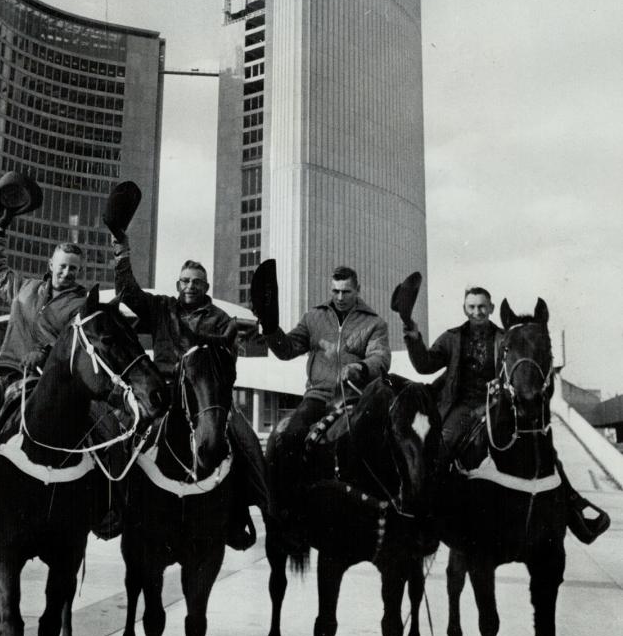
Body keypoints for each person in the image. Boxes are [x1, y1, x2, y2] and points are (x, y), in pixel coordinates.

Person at [400, 284, 610, 544]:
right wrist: (413, 338)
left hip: (498, 404)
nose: (477, 312)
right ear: (465, 309)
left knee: (542, 447)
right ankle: (426, 520)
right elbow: (424, 365)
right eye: (472, 307)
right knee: (441, 451)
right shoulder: (452, 337)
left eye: (482, 307)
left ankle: (574, 507)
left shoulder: (507, 337)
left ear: (490, 308)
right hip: (460, 405)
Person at [110, 229, 269, 550]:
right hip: (162, 391)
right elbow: (127, 292)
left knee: (245, 437)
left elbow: (228, 366)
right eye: (185, 280)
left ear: (206, 286)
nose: (190, 286)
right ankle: (114, 507)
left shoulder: (221, 319)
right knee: (116, 430)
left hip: (205, 395)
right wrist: (121, 253)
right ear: (177, 283)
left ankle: (254, 509)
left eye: (196, 281)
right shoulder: (161, 308)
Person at [0, 204, 88, 543]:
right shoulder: (24, 288)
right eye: (62, 266)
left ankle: (106, 510)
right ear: (50, 266)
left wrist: (45, 351)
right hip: (12, 378)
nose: (67, 273)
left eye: (73, 269)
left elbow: (77, 343)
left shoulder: (82, 303)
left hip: (58, 384)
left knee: (102, 428)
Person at [255, 265, 391, 527]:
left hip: (355, 397)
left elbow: (381, 358)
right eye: (335, 291)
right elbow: (287, 349)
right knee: (288, 435)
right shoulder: (313, 318)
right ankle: (286, 511)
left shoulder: (375, 323)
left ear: (358, 290)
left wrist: (360, 367)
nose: (340, 297)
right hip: (317, 396)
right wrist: (270, 327)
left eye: (346, 291)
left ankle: (388, 509)